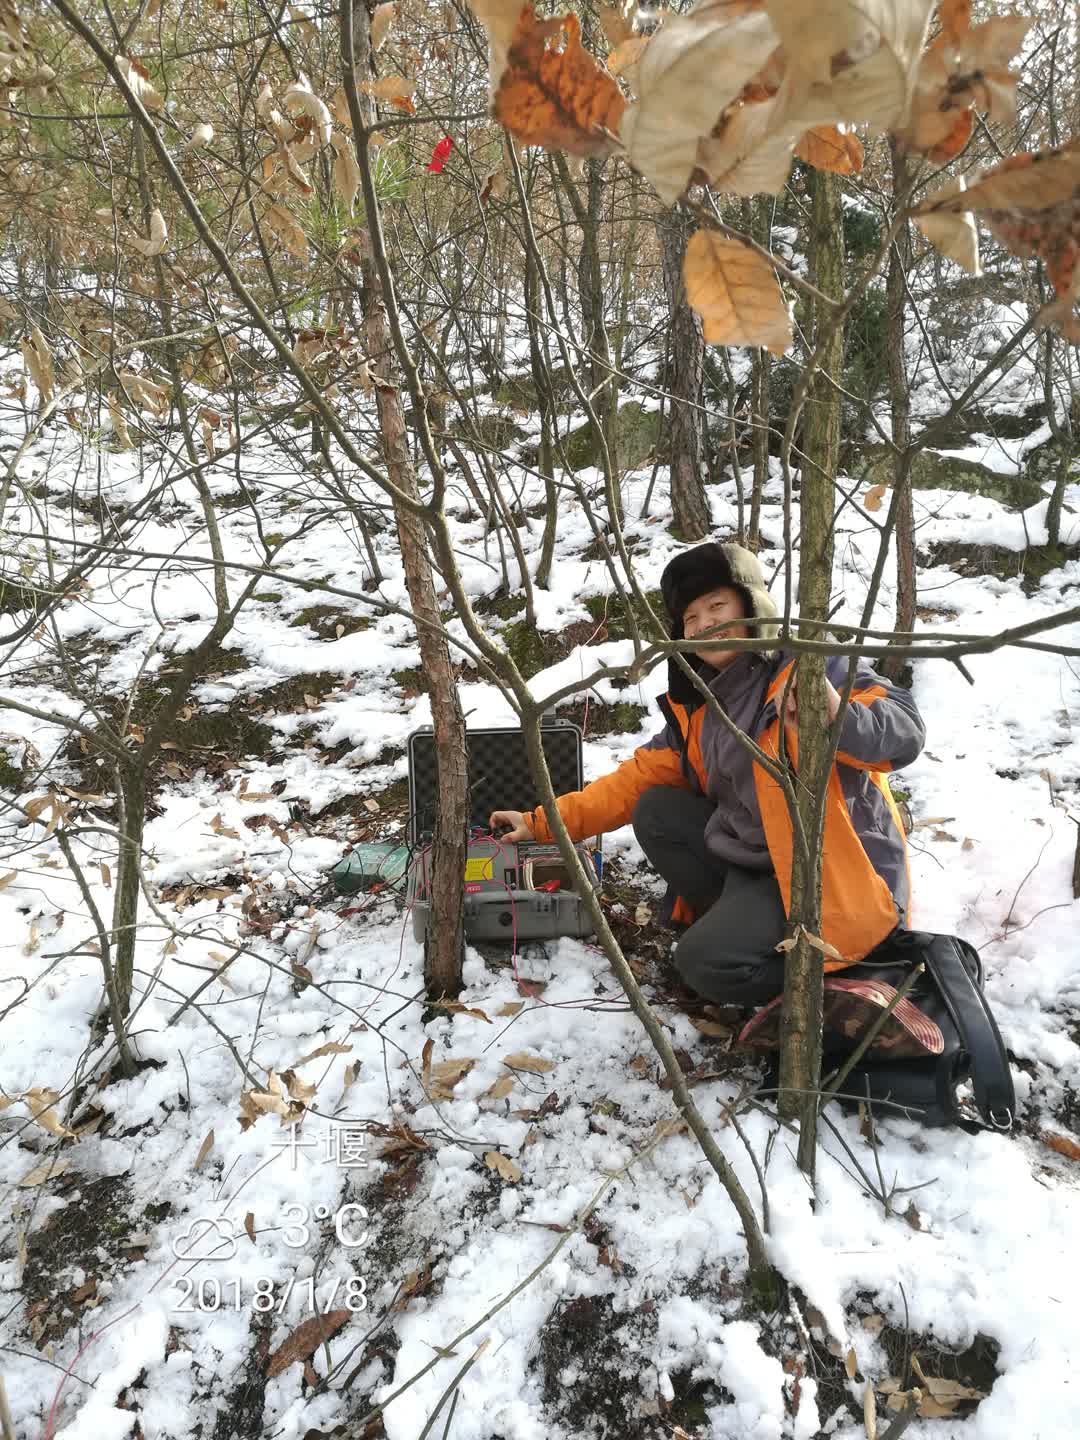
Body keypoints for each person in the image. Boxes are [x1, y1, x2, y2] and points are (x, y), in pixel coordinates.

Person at [490, 541, 926, 1013]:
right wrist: (538, 824)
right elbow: (631, 782)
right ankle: (744, 928)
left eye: (717, 606)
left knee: (703, 966)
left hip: (831, 880)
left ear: (752, 605)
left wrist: (836, 717)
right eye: (691, 618)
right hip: (754, 865)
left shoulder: (812, 669)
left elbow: (904, 733)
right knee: (655, 808)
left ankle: (848, 977)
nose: (704, 624)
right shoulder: (698, 704)